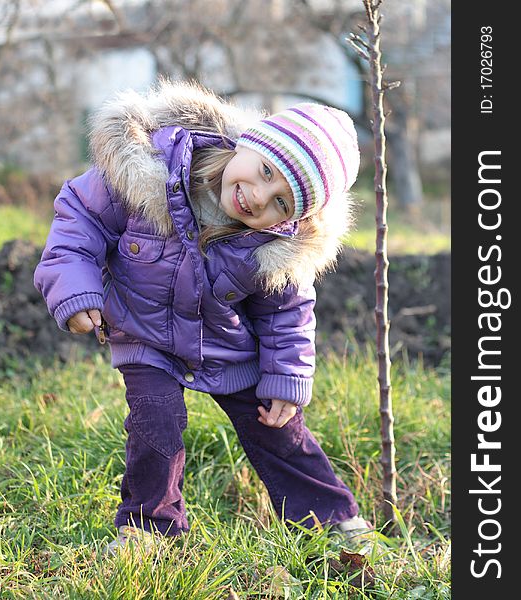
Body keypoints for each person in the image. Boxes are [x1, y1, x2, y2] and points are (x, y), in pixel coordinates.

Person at [34, 79, 372, 555]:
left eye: (281, 202)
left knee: (277, 427)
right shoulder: (147, 169)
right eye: (265, 172)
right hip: (145, 331)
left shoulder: (276, 246)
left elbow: (287, 313)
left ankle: (333, 522)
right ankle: (148, 533)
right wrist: (75, 290)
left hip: (223, 343)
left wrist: (286, 380)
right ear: (247, 144)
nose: (259, 197)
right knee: (157, 423)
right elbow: (78, 222)